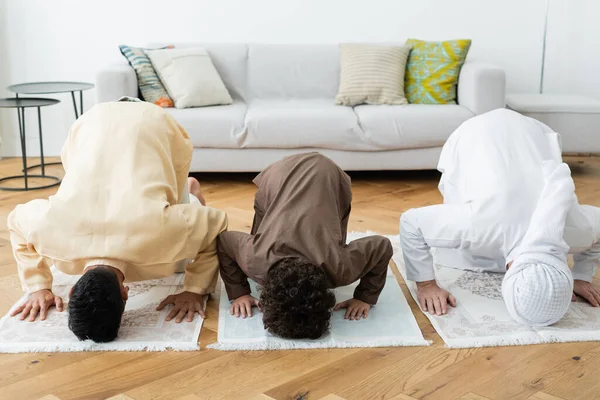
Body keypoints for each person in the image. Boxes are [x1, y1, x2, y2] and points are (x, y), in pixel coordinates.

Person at [7, 100, 227, 342]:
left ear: (124, 293)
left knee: (177, 263)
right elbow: (16, 221)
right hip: (93, 118)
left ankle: (188, 192)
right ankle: (187, 191)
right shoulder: (51, 233)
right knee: (175, 251)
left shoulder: (159, 233)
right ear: (71, 289)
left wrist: (195, 290)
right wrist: (39, 285)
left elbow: (216, 223)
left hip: (150, 121)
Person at [400, 109, 600, 326]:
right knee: (464, 205)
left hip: (530, 135)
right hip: (478, 133)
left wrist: (580, 277)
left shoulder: (578, 230)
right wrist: (426, 284)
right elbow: (411, 223)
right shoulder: (480, 225)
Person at [217, 153, 393, 339]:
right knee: (265, 228)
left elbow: (382, 247)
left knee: (325, 223)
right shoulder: (254, 260)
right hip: (281, 175)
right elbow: (224, 241)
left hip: (323, 174)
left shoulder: (340, 268)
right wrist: (239, 292)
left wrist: (364, 297)